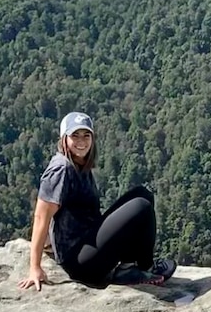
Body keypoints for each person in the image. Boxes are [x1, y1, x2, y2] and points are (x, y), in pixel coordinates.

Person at [18, 111, 176, 292]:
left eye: (86, 135)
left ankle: (128, 267)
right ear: (64, 139)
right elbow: (41, 217)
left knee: (143, 194)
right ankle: (144, 268)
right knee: (142, 206)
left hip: (87, 242)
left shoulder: (79, 163)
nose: (81, 141)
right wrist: (35, 268)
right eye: (74, 135)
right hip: (80, 263)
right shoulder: (61, 169)